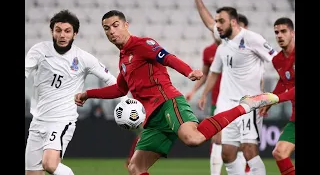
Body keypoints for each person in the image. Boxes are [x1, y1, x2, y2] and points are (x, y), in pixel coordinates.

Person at [73, 10, 279, 175]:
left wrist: (188, 71)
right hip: (152, 119)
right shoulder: (123, 58)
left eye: (115, 26)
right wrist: (88, 94)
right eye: (106, 29)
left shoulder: (143, 44)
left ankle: (246, 105)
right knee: (135, 168)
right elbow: (119, 89)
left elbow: (167, 57)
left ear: (126, 25)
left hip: (167, 103)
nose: (111, 32)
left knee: (194, 139)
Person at [25, 10, 126, 175]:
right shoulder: (39, 50)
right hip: (38, 121)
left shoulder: (83, 58)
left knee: (50, 164)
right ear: (52, 31)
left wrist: (126, 101)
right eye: (58, 30)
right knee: (32, 173)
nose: (62, 35)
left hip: (61, 120)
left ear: (75, 34)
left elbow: (111, 80)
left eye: (67, 31)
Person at [193, 0, 278, 174]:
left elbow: (277, 60)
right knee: (227, 153)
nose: (217, 25)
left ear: (233, 22)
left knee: (249, 151)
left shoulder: (252, 38)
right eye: (217, 21)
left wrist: (274, 94)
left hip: (249, 104)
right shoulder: (224, 42)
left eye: (221, 21)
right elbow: (208, 23)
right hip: (226, 106)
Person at [185, 13, 250, 175]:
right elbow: (207, 74)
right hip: (218, 100)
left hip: (240, 101)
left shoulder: (240, 49)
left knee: (239, 142)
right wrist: (196, 92)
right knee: (217, 138)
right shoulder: (209, 51)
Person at [259, 17, 295, 175]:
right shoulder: (278, 60)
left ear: (292, 33)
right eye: (276, 32)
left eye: (283, 31)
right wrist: (270, 100)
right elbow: (283, 81)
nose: (279, 35)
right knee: (279, 152)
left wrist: (278, 99)